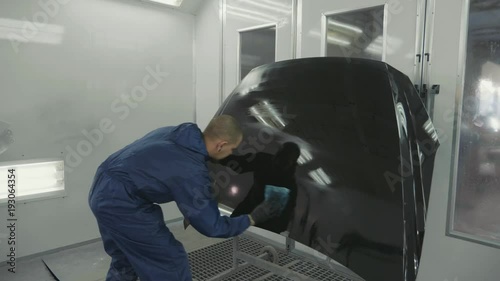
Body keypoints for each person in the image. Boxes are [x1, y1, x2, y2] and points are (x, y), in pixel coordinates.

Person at [88, 115, 281, 281]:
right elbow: (212, 227)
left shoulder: (177, 134)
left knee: (126, 258)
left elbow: (162, 169)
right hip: (121, 202)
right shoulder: (191, 170)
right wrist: (252, 217)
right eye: (232, 149)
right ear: (221, 144)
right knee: (170, 261)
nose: (232, 154)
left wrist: (196, 201)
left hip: (102, 186)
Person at [218, 141, 301, 234]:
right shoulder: (264, 161)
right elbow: (239, 163)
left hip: (264, 230)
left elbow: (285, 218)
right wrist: (216, 156)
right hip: (245, 215)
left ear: (292, 163)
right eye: (280, 157)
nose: (280, 163)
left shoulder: (290, 186)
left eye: (286, 161)